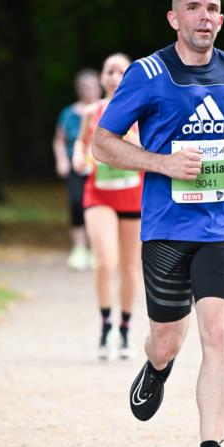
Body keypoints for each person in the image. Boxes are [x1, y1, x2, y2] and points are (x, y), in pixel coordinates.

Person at [93, 0, 224, 447]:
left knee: (218, 333)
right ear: (174, 18)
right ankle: (156, 366)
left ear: (221, 19)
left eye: (212, 8)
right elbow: (103, 143)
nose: (203, 16)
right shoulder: (147, 74)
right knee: (169, 338)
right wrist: (162, 163)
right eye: (193, 7)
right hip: (167, 228)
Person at [72, 53, 143, 360]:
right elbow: (81, 143)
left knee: (129, 266)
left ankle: (125, 328)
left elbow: (152, 149)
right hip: (99, 194)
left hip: (133, 195)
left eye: (120, 72)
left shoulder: (142, 111)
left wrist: (132, 142)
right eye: (109, 71)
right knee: (105, 261)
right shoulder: (93, 112)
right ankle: (105, 325)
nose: (114, 77)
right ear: (102, 78)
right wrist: (78, 156)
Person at [52, 70, 101, 271]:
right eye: (85, 87)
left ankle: (97, 247)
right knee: (76, 202)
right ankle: (79, 247)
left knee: (97, 206)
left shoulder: (105, 109)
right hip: (77, 165)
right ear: (79, 90)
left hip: (100, 167)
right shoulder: (69, 114)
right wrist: (61, 160)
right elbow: (59, 141)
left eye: (92, 87)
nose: (89, 91)